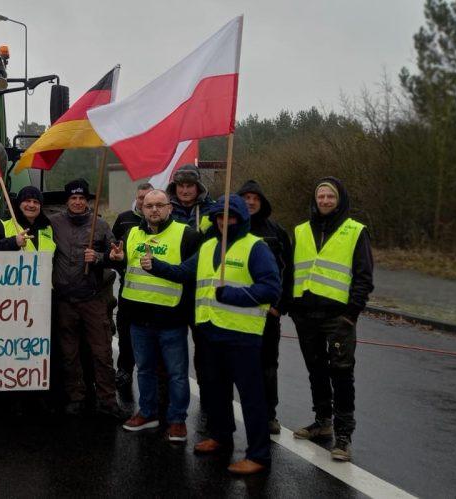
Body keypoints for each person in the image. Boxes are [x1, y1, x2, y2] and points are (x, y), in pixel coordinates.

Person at [147, 195, 281, 475]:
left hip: (242, 336)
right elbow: (184, 272)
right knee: (215, 392)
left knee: (251, 398)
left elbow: (270, 288)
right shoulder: (208, 246)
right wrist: (155, 266)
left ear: (241, 219)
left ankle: (258, 455)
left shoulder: (255, 247)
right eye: (219, 217)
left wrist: (232, 295)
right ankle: (221, 436)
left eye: (230, 217)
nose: (223, 222)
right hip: (209, 332)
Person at [288, 178, 373, 463]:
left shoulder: (355, 231)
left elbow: (363, 277)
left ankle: (344, 435)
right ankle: (322, 420)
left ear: (340, 200)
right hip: (306, 315)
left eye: (330, 197)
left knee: (341, 372)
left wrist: (351, 315)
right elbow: (291, 271)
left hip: (338, 317)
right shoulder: (300, 230)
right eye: (320, 196)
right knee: (316, 369)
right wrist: (292, 306)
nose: (324, 201)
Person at [108, 189, 201, 442]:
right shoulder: (132, 233)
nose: (154, 210)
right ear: (142, 208)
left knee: (177, 373)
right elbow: (126, 265)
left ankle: (177, 420)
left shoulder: (187, 235)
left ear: (170, 207)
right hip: (138, 316)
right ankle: (148, 413)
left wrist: (158, 267)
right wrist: (117, 259)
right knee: (145, 370)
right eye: (149, 206)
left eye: (160, 205)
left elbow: (191, 272)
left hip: (171, 317)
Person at [49, 179, 125, 419]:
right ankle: (76, 397)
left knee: (102, 353)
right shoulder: (53, 224)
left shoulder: (100, 225)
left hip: (92, 299)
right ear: (67, 201)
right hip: (64, 301)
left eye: (82, 198)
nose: (78, 202)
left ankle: (108, 400)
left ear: (88, 201)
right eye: (74, 198)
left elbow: (117, 258)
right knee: (69, 354)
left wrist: (100, 257)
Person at [238, 180, 294, 434]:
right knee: (230, 366)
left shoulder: (276, 232)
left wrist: (279, 307)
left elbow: (288, 271)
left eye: (255, 198)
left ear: (262, 202)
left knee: (267, 366)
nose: (250, 202)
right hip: (232, 312)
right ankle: (220, 416)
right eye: (246, 197)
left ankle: (269, 414)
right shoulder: (227, 228)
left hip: (266, 314)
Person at [110, 182, 154, 404]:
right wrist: (120, 264)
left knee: (152, 339)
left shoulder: (162, 224)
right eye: (140, 198)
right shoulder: (125, 219)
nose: (144, 202)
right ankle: (124, 370)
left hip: (156, 295)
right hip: (129, 289)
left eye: (147, 198)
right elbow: (115, 247)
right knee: (125, 333)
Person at [0, 185, 54, 252]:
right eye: (27, 200)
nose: (31, 205)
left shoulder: (48, 228)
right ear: (19, 204)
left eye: (36, 202)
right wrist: (13, 242)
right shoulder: (1, 226)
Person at [167, 164, 214, 233]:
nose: (185, 191)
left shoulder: (212, 210)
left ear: (198, 187)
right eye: (180, 186)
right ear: (174, 187)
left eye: (189, 186)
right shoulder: (166, 210)